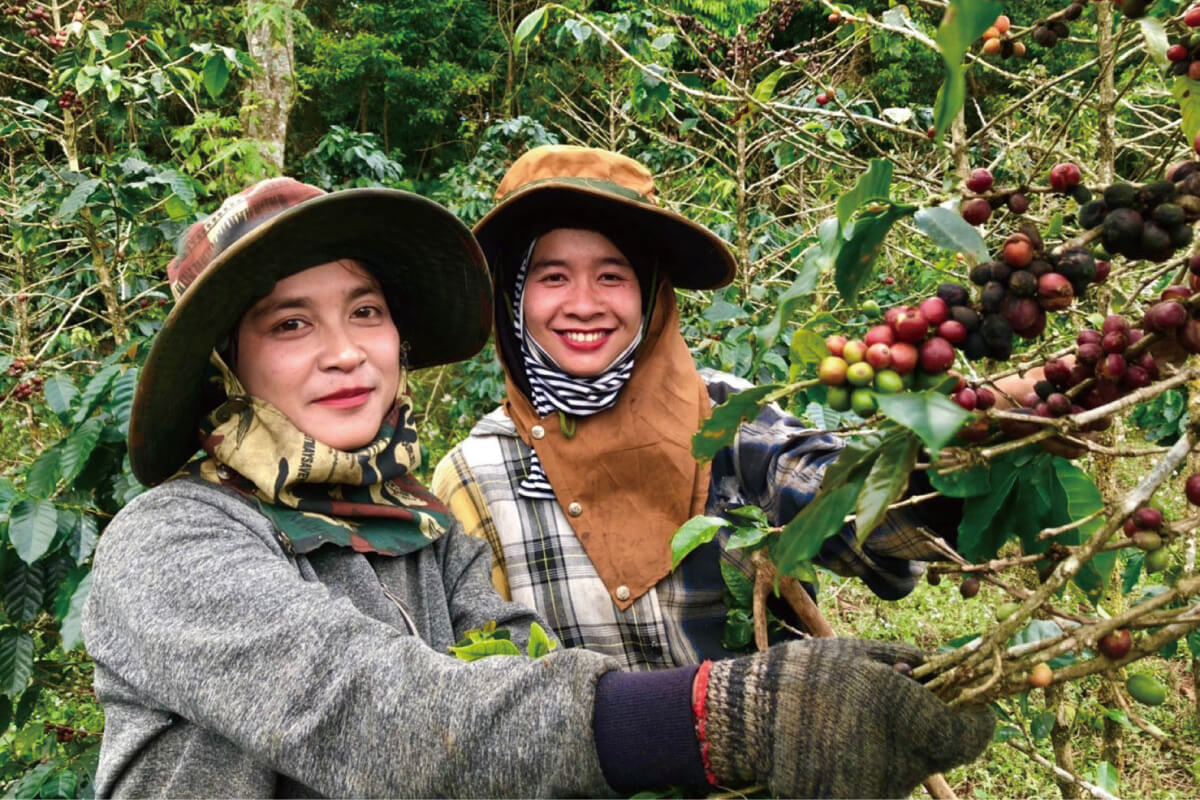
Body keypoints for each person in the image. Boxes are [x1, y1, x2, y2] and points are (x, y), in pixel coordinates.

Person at [82, 176, 992, 799]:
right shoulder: (172, 542)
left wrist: (965, 465)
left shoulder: (422, 533)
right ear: (226, 365)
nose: (348, 351)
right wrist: (724, 715)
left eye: (366, 311)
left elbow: (519, 674)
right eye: (290, 323)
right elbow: (369, 708)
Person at [433, 145, 959, 670]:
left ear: (650, 291)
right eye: (552, 277)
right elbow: (493, 686)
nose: (584, 303)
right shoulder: (477, 476)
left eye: (612, 275)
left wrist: (955, 450)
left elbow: (843, 503)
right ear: (514, 297)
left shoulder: (724, 419)